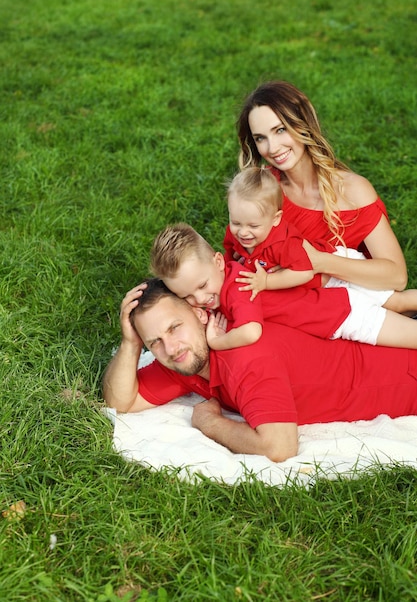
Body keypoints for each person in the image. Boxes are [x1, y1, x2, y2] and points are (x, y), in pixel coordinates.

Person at [102, 278, 417, 463]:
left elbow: (278, 447)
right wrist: (130, 344)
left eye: (174, 328)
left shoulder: (244, 359)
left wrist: (209, 423)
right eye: (154, 341)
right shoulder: (186, 358)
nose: (170, 348)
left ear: (200, 314)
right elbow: (120, 402)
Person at [236, 80, 408, 292]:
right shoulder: (265, 191)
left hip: (352, 305)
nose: (272, 147)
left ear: (303, 124)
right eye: (261, 138)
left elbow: (397, 277)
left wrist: (320, 261)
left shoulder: (353, 190)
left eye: (280, 130)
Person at [150, 222, 417, 351]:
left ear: (218, 262)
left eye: (202, 285)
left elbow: (251, 332)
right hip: (332, 294)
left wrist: (218, 342)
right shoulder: (232, 269)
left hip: (341, 316)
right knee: (400, 303)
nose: (200, 298)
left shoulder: (237, 290)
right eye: (186, 296)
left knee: (409, 333)